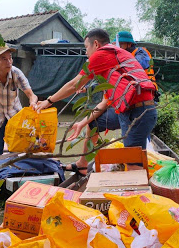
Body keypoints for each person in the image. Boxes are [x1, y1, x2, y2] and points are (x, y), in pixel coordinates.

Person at [35, 28, 157, 169]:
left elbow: (74, 85)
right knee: (93, 123)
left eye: (86, 47)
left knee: (133, 166)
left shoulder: (102, 54)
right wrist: (82, 122)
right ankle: (82, 165)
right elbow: (105, 102)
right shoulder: (114, 64)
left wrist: (48, 101)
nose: (86, 52)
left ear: (96, 44)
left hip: (138, 112)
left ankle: (137, 187)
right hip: (129, 112)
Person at [0, 44, 38, 156]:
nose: (9, 62)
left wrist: (33, 102)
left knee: (17, 154)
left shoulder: (16, 73)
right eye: (4, 59)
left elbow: (31, 95)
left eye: (10, 58)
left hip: (15, 117)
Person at [115, 31, 159, 98]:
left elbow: (137, 65)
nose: (119, 47)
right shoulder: (123, 56)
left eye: (121, 44)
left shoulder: (141, 52)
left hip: (147, 90)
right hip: (133, 92)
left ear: (129, 44)